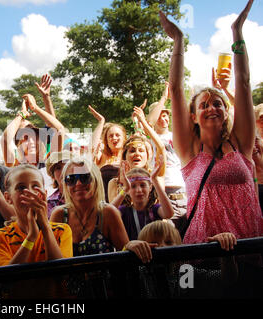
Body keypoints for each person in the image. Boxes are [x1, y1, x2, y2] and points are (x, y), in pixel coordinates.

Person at [159, 0, 263, 244]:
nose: (212, 108)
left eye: (218, 104)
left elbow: (244, 83)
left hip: (250, 246)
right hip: (205, 254)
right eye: (204, 105)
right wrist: (178, 42)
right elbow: (175, 89)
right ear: (193, 116)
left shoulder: (241, 144)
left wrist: (237, 32)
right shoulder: (190, 150)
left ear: (226, 112)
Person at [0, 164, 72, 267]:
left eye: (35, 186)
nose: (30, 192)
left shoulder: (62, 231)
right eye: (21, 187)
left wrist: (45, 227)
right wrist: (31, 237)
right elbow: (7, 281)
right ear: (8, 198)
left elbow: (63, 276)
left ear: (45, 194)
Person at [50, 157, 129, 256]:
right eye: (71, 179)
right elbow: (50, 258)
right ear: (65, 184)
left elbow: (125, 254)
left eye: (85, 178)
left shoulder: (108, 213)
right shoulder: (59, 215)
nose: (78, 183)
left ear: (96, 180)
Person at [1, 92, 65, 195]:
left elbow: (59, 130)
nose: (31, 141)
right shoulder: (14, 164)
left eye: (34, 136)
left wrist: (35, 108)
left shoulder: (49, 163)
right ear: (19, 144)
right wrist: (22, 114)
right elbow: (5, 138)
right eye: (25, 138)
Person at [146, 82, 187, 231]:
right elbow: (148, 122)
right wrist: (164, 97)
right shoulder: (148, 137)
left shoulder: (176, 135)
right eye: (160, 116)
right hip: (162, 190)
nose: (163, 119)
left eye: (166, 116)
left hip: (182, 191)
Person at [112, 157, 174, 241]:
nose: (139, 190)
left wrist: (155, 180)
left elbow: (169, 214)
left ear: (150, 187)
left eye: (143, 185)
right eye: (133, 186)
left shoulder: (155, 209)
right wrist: (125, 189)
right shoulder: (125, 211)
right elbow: (108, 213)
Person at [45, 150, 74, 218]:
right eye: (58, 168)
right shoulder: (49, 203)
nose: (63, 171)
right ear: (53, 176)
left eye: (67, 166)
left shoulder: (84, 194)